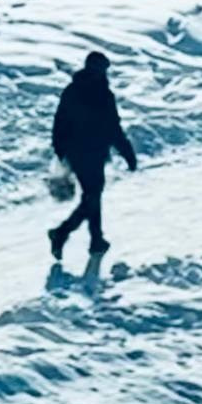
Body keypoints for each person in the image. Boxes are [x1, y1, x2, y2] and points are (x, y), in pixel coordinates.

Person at [48, 51, 137, 261]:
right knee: (92, 196)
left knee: (92, 196)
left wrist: (61, 149)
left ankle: (95, 239)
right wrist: (127, 152)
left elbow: (59, 121)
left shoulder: (72, 90)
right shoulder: (103, 94)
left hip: (77, 153)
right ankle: (63, 233)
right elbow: (113, 127)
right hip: (94, 153)